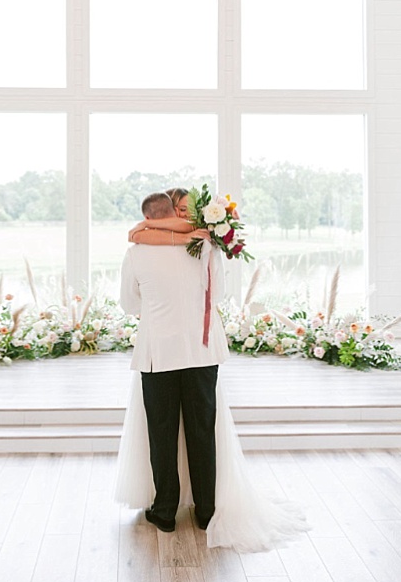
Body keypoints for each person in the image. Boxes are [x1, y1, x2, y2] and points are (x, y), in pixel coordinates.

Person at [115, 191, 308, 549]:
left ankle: (166, 511)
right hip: (202, 350)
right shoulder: (205, 247)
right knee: (203, 430)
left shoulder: (136, 253)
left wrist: (158, 306)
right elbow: (216, 295)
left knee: (162, 432)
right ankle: (206, 511)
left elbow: (129, 304)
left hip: (158, 351)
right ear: (176, 213)